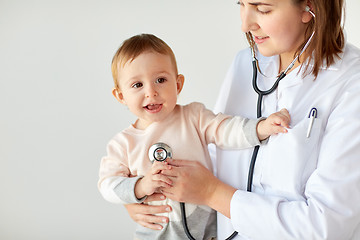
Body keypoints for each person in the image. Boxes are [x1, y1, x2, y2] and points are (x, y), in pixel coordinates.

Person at [124, 0, 360, 239]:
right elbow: (212, 153)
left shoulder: (352, 82)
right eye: (241, 4)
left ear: (309, 7)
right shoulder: (245, 63)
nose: (245, 25)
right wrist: (141, 193)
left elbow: (327, 227)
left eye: (263, 9)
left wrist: (212, 193)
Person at [98, 33, 291, 240]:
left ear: (178, 84)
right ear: (121, 96)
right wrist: (141, 186)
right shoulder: (123, 143)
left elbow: (226, 129)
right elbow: (107, 185)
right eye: (137, 85)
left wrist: (261, 127)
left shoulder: (194, 117)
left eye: (160, 80)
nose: (151, 92)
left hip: (207, 233)